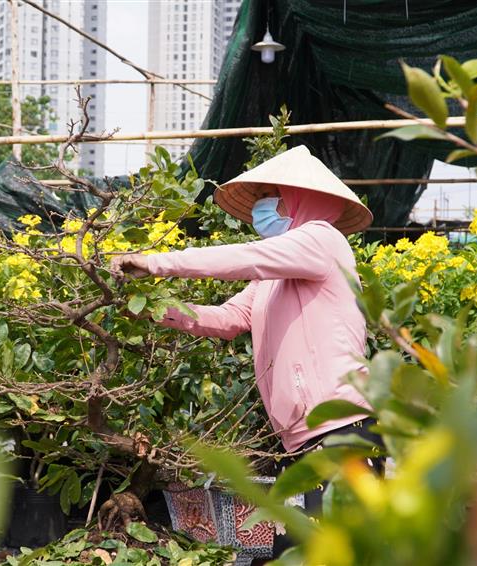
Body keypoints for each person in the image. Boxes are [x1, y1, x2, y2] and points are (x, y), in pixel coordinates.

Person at [111, 145, 382, 557]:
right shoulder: (274, 277)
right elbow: (228, 320)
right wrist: (153, 310)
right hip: (302, 436)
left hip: (340, 425)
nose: (264, 205)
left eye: (273, 193)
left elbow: (247, 257)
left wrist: (157, 262)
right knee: (300, 550)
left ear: (302, 197)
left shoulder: (322, 240)